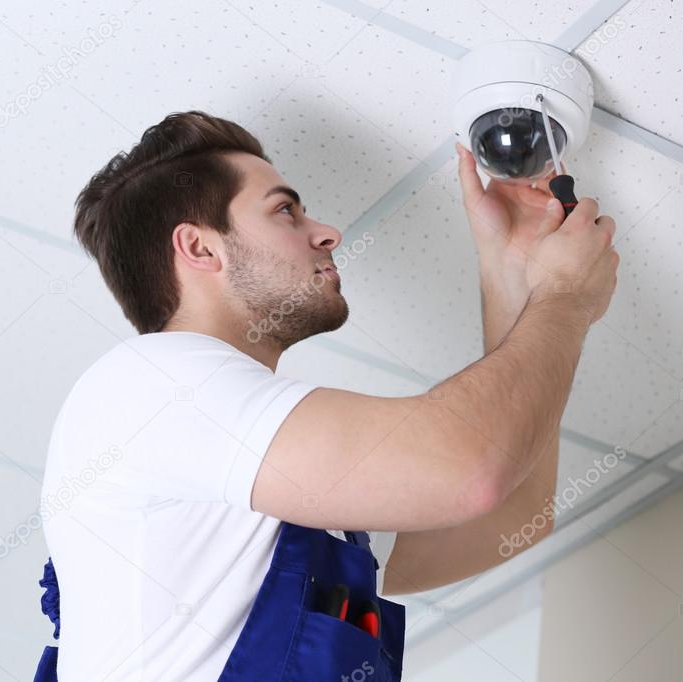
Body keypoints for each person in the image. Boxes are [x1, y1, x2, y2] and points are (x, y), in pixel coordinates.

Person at [32, 110, 619, 681]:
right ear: (202, 249)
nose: (328, 233)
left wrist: (511, 272)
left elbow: (512, 511)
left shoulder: (270, 499)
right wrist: (564, 299)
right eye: (285, 210)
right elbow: (473, 472)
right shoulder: (152, 383)